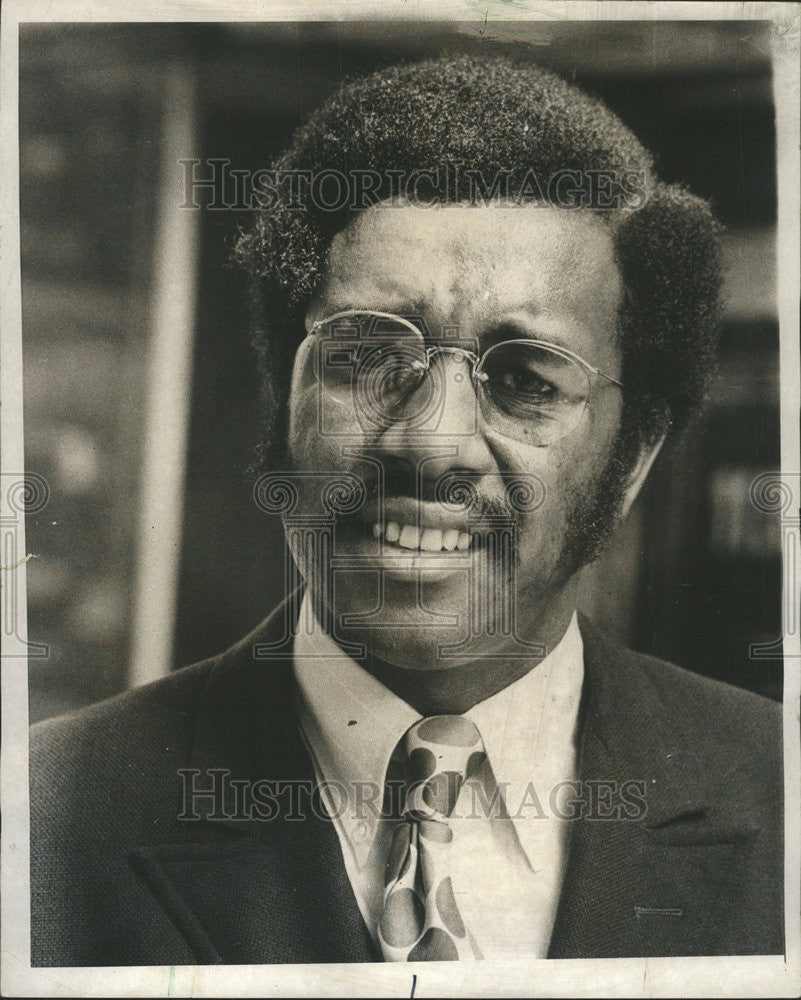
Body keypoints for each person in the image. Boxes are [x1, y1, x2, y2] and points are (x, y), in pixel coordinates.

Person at [30, 53, 783, 965]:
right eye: (366, 358)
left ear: (633, 461)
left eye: (524, 380)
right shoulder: (43, 813)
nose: (430, 444)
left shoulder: (777, 799)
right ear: (286, 409)